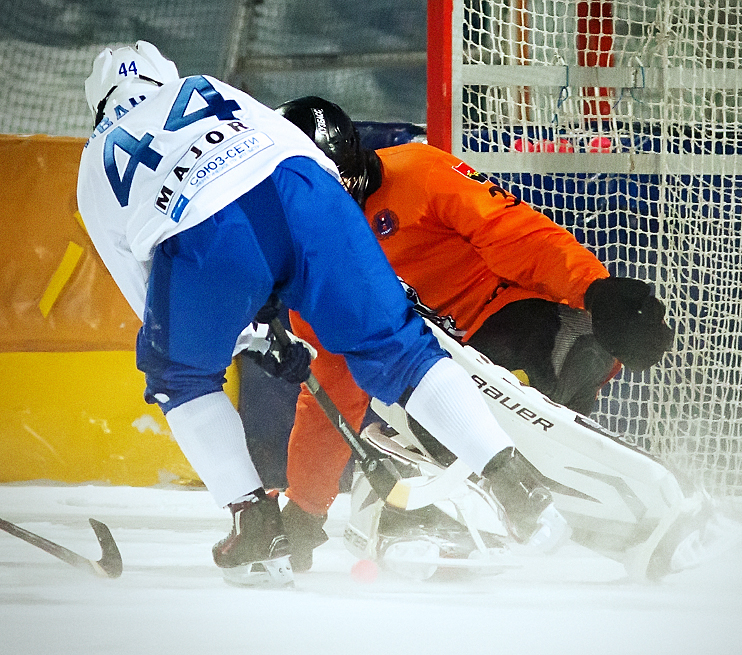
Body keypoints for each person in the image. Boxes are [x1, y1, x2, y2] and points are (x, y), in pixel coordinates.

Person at [76, 42, 570, 587]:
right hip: (307, 190)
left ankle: (258, 527)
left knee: (182, 378)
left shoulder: (97, 158)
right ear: (163, 77)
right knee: (399, 346)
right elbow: (295, 158)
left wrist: (247, 334)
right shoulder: (206, 86)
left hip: (204, 229)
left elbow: (149, 294)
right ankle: (516, 482)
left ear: (100, 104)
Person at [273, 96, 674, 571]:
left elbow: (513, 232)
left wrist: (595, 291)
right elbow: (331, 391)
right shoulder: (312, 265)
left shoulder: (421, 172)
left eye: (343, 184)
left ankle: (569, 504)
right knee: (426, 414)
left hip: (509, 317)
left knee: (517, 385)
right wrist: (305, 506)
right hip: (426, 362)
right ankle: (437, 515)